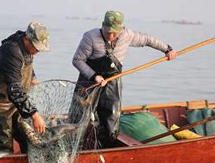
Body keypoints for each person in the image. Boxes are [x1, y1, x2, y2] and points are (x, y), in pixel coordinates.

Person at [72, 10, 177, 148]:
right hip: (89, 82)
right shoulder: (90, 37)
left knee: (111, 121)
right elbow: (77, 60)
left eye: (114, 32)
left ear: (121, 29)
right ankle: (74, 146)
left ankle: (106, 148)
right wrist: (94, 76)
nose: (111, 35)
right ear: (102, 25)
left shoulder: (127, 35)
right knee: (78, 120)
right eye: (107, 31)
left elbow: (147, 40)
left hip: (112, 82)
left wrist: (167, 49)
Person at [0, 21, 50, 153]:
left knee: (29, 140)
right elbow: (15, 89)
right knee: (3, 148)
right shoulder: (12, 50)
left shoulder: (26, 48)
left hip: (16, 104)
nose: (37, 51)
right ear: (27, 39)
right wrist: (34, 115)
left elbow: (23, 65)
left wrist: (32, 76)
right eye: (36, 47)